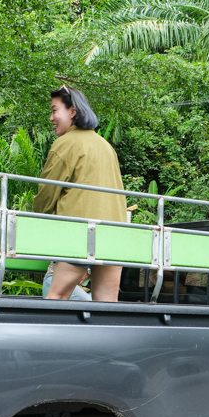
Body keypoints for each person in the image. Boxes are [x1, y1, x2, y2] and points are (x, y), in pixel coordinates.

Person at [33, 86, 126, 302]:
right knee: (106, 305)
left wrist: (37, 220)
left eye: (55, 110)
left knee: (56, 297)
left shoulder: (65, 144)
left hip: (80, 235)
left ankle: (50, 337)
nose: (51, 117)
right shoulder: (106, 146)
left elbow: (46, 197)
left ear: (72, 112)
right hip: (113, 236)